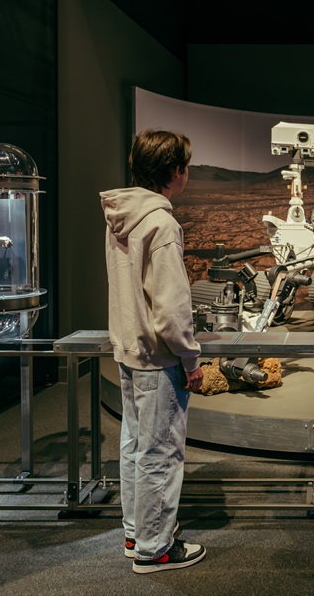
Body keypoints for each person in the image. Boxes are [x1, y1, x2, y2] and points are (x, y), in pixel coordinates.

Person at [101, 129, 207, 573]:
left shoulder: (121, 216)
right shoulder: (162, 224)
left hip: (129, 350)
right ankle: (155, 549)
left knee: (136, 446)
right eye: (185, 166)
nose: (188, 173)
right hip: (159, 358)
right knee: (161, 452)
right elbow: (170, 308)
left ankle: (136, 533)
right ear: (174, 173)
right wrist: (192, 358)